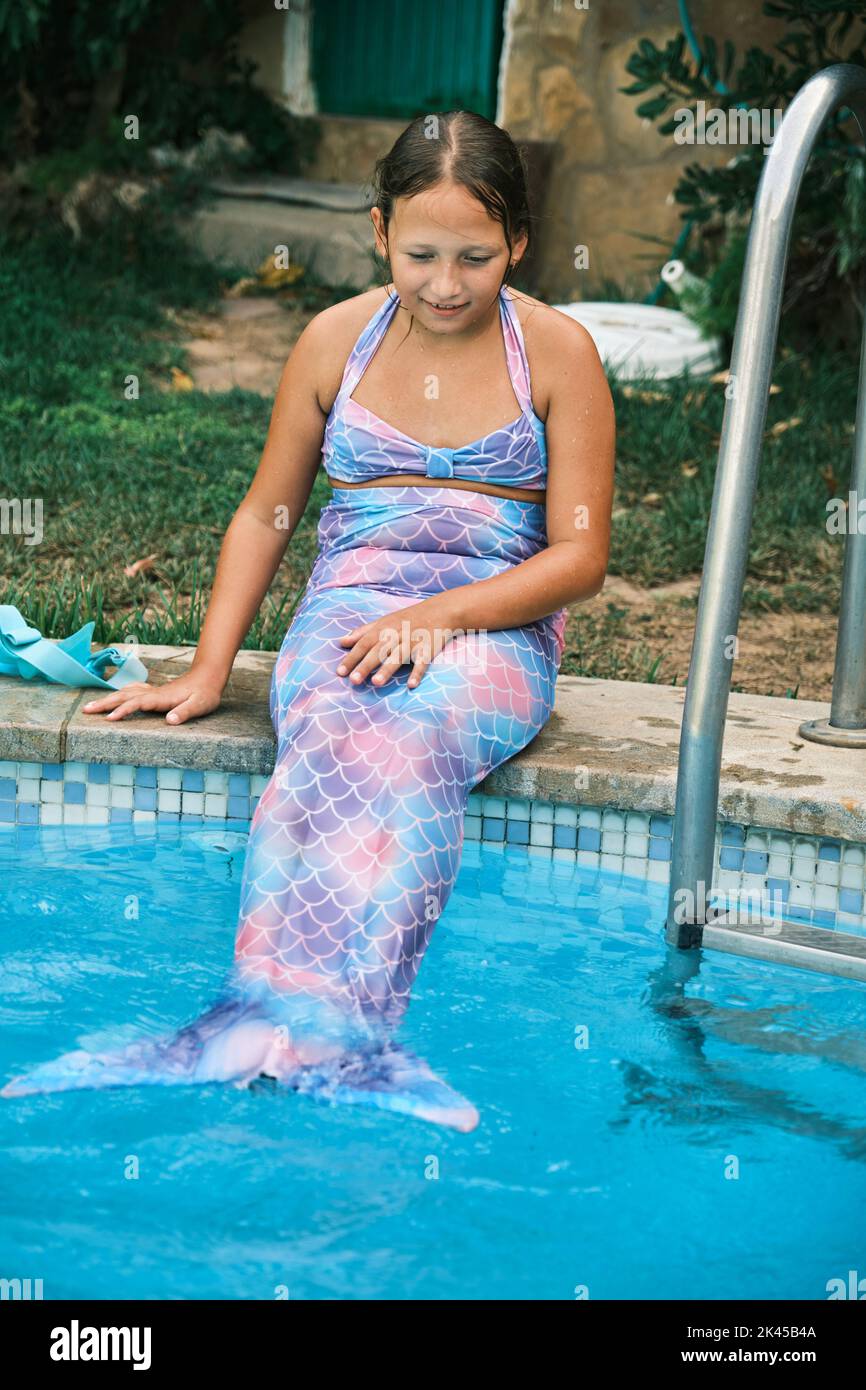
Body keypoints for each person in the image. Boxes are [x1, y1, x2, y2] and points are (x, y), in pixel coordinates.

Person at [3, 111, 615, 1130]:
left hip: (492, 623)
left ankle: (354, 1036)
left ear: (517, 241)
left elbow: (579, 558)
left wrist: (443, 615)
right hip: (352, 610)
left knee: (412, 730)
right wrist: (209, 671)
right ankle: (252, 1016)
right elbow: (267, 510)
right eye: (421, 254)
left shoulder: (556, 352)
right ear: (378, 232)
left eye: (476, 255)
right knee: (330, 723)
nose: (447, 283)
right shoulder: (334, 338)